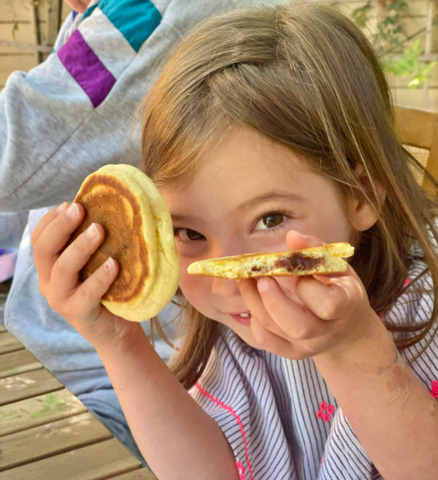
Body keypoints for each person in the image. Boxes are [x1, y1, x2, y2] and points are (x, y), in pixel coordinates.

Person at [30, 2, 438, 479]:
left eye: (270, 218)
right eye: (190, 233)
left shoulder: (423, 302)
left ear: (361, 195)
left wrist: (353, 352)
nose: (229, 276)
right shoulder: (230, 329)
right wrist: (119, 343)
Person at [0, 0, 274, 464]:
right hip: (81, 341)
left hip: (119, 382)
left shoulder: (139, 11)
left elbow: (16, 150)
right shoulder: (98, 15)